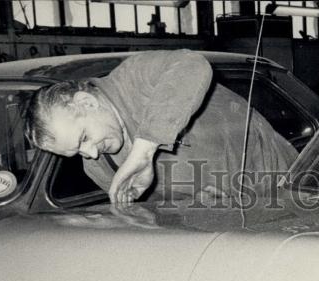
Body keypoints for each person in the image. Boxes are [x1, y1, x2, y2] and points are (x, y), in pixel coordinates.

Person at [23, 49, 297, 206]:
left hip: (281, 182)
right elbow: (159, 214)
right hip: (230, 226)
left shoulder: (136, 77)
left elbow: (192, 65)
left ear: (86, 102)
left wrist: (144, 150)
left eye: (84, 138)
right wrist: (190, 205)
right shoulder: (100, 167)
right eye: (78, 152)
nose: (91, 154)